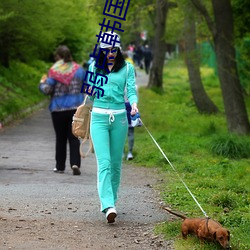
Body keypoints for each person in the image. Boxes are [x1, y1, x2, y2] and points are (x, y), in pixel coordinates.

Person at [87, 31, 138, 223]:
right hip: (99, 118)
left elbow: (131, 91)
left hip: (119, 119)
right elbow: (90, 96)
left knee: (116, 164)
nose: (110, 53)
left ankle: (113, 201)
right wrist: (90, 90)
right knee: (105, 162)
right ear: (101, 50)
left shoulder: (127, 69)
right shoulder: (94, 67)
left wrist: (134, 104)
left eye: (113, 49)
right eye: (106, 50)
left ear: (118, 49)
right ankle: (108, 205)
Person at [39, 45, 86, 175]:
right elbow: (86, 86)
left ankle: (60, 167)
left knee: (60, 138)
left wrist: (42, 83)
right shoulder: (79, 70)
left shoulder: (54, 71)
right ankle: (75, 163)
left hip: (58, 109)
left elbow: (47, 90)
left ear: (58, 57)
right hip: (76, 109)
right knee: (74, 136)